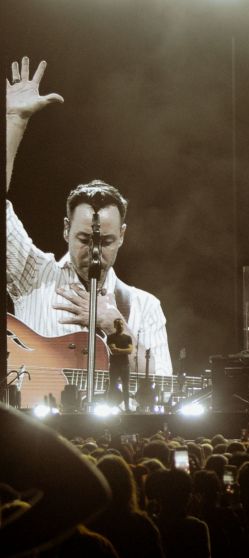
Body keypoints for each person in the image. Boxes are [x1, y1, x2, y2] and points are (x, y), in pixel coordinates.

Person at [6, 57, 173, 376]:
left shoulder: (144, 307)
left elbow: (162, 390)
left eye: (107, 240)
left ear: (122, 235)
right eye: (84, 238)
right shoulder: (33, 275)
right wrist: (14, 121)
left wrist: (115, 326)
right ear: (66, 229)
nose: (95, 252)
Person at [106, 318, 135, 411]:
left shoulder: (128, 338)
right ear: (115, 326)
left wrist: (119, 350)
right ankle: (110, 406)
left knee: (126, 387)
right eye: (118, 324)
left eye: (122, 324)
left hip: (125, 365)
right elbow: (113, 350)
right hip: (114, 365)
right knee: (112, 386)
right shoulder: (110, 337)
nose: (120, 326)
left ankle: (127, 408)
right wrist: (123, 351)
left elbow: (130, 350)